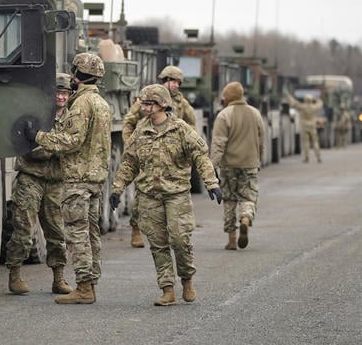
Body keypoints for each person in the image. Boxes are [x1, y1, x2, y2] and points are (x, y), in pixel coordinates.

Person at [109, 84, 222, 306]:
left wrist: (211, 183)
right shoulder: (140, 130)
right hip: (149, 195)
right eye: (143, 103)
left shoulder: (181, 129)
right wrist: (117, 188)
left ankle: (187, 279)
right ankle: (167, 289)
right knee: (158, 245)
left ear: (162, 105)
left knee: (180, 240)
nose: (145, 108)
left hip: (176, 194)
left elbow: (200, 155)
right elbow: (129, 162)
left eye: (149, 104)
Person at [26, 53, 112, 304]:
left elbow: (71, 140)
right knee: (92, 233)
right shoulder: (103, 104)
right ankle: (91, 283)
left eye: (74, 72)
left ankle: (84, 287)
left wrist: (39, 136)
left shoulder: (82, 104)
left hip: (78, 180)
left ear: (77, 74)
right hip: (96, 179)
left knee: (77, 233)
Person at [5, 73, 74, 295]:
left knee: (57, 232)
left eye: (64, 93)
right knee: (23, 228)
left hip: (56, 182)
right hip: (30, 177)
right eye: (57, 93)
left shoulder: (73, 120)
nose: (61, 97)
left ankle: (59, 278)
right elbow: (29, 148)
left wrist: (50, 144)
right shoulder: (33, 117)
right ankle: (14, 274)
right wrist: (57, 147)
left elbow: (75, 146)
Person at [121, 65, 196, 248]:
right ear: (164, 82)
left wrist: (184, 150)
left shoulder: (182, 105)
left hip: (171, 158)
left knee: (173, 198)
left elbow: (192, 128)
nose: (174, 85)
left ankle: (169, 232)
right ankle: (136, 229)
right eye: (171, 81)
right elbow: (129, 122)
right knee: (142, 194)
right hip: (146, 154)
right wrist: (132, 146)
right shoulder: (149, 99)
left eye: (177, 82)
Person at [209, 82, 265, 251]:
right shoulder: (255, 113)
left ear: (227, 98)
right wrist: (258, 160)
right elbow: (261, 140)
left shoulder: (224, 115)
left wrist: (212, 167)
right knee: (248, 197)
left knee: (229, 200)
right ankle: (246, 219)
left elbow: (218, 144)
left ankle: (232, 239)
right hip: (249, 164)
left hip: (228, 166)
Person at [287, 92, 322, 163]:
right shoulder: (314, 107)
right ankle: (318, 157)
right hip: (312, 126)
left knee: (306, 143)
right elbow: (320, 104)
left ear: (305, 100)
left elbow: (294, 103)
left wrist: (289, 96)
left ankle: (307, 157)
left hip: (305, 127)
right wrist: (317, 99)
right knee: (315, 142)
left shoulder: (302, 107)